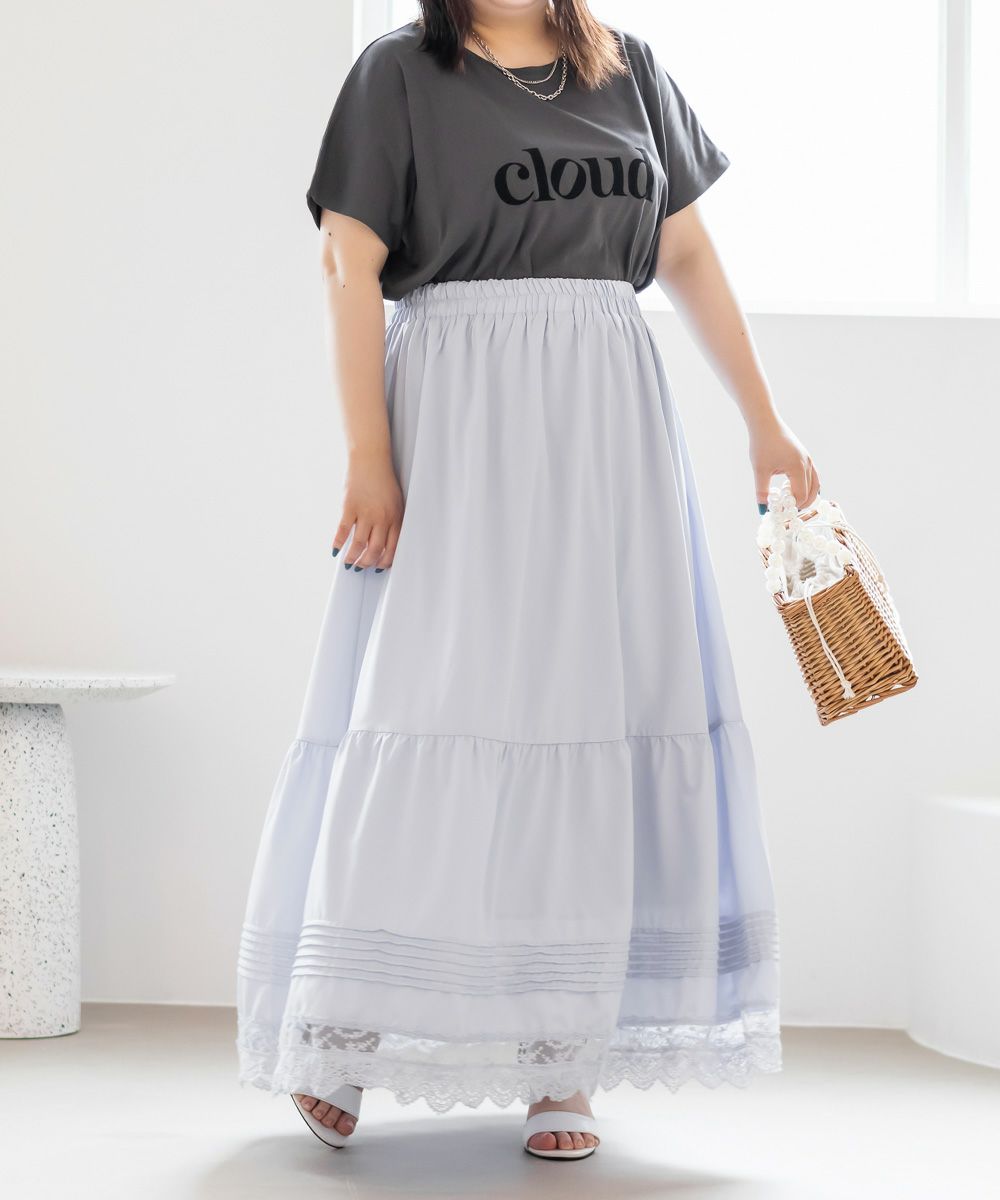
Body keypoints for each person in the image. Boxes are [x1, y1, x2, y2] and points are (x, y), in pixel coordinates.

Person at [237, 0, 818, 1161]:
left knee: (593, 714)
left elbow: (685, 253)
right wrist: (369, 453)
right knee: (422, 709)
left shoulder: (629, 71)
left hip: (607, 427)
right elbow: (347, 260)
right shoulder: (399, 73)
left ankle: (565, 1061)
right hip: (457, 416)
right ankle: (342, 1034)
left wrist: (765, 420)